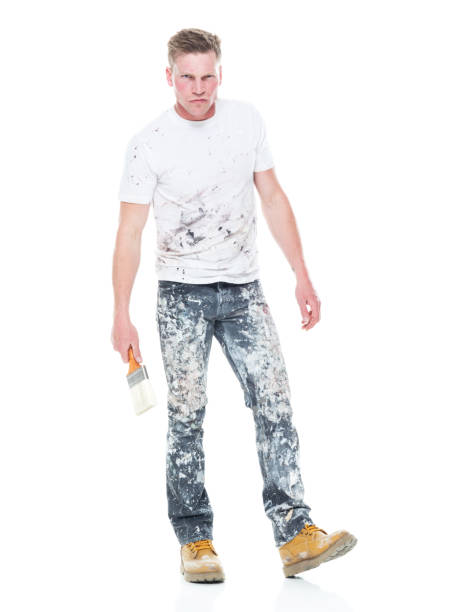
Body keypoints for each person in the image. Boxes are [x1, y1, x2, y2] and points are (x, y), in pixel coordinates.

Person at [111, 27, 357, 583]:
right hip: (181, 294)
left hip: (245, 290)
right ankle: (195, 540)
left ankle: (295, 533)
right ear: (169, 76)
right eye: (187, 77)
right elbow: (129, 232)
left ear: (220, 73)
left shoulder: (246, 121)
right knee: (186, 414)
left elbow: (272, 196)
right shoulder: (148, 143)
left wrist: (301, 274)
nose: (199, 88)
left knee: (275, 402)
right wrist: (121, 313)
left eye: (208, 76)